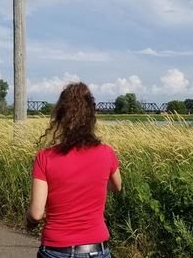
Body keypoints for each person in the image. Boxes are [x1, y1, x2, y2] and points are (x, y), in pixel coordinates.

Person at [26, 82, 123, 258]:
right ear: (91, 117)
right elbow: (117, 186)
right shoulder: (106, 153)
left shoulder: (45, 157)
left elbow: (37, 213)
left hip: (56, 250)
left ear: (60, 117)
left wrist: (29, 221)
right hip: (97, 250)